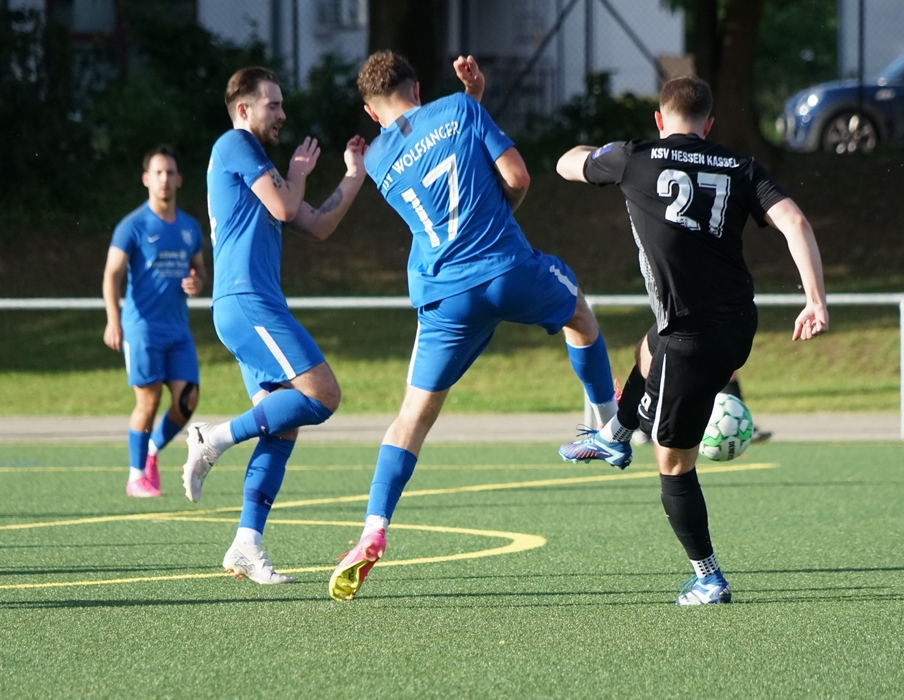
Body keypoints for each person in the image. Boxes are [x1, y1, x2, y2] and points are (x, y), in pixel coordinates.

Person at [328, 52, 619, 601]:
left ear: (370, 112)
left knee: (411, 419)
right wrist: (475, 106)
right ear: (417, 86)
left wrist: (471, 103)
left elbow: (430, 161)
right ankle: (609, 427)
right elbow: (515, 176)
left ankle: (373, 528)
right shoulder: (460, 109)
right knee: (579, 314)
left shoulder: (378, 160)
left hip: (445, 296)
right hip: (505, 268)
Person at [556, 76, 828, 604]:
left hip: (690, 340)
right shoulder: (741, 166)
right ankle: (614, 434)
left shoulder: (633, 157)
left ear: (659, 119)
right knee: (647, 345)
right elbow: (795, 221)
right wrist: (814, 300)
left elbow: (569, 163)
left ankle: (708, 577)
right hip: (736, 327)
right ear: (709, 124)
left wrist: (605, 153)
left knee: (674, 464)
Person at [182, 66, 368, 584]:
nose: (283, 113)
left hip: (250, 305)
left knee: (282, 423)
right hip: (248, 303)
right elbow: (287, 207)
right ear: (243, 109)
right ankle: (212, 437)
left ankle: (246, 543)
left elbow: (317, 225)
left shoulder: (257, 167)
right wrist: (298, 173)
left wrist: (354, 173)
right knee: (323, 395)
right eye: (274, 104)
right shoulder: (236, 144)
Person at [103, 145, 207, 498]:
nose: (164, 179)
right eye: (158, 173)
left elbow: (199, 270)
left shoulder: (190, 227)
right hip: (142, 328)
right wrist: (113, 320)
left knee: (187, 400)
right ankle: (136, 477)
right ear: (146, 179)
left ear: (179, 179)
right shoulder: (132, 226)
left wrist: (197, 282)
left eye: (170, 173)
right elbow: (112, 275)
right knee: (147, 402)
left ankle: (151, 451)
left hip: (178, 329)